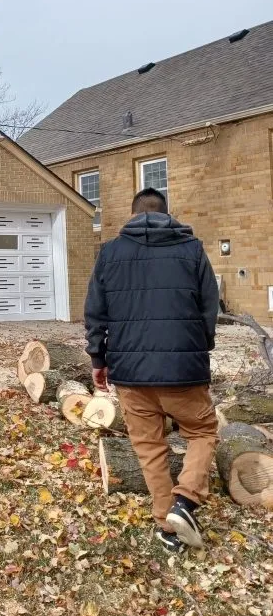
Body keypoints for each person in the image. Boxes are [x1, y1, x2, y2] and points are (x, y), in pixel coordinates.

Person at [84, 188, 219, 554]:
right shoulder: (192, 249)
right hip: (183, 369)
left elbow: (96, 312)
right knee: (203, 432)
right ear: (167, 214)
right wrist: (199, 346)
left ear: (132, 216)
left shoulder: (110, 252)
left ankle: (168, 527)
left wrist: (99, 360)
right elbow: (210, 307)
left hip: (129, 372)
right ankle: (185, 502)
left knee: (149, 448)